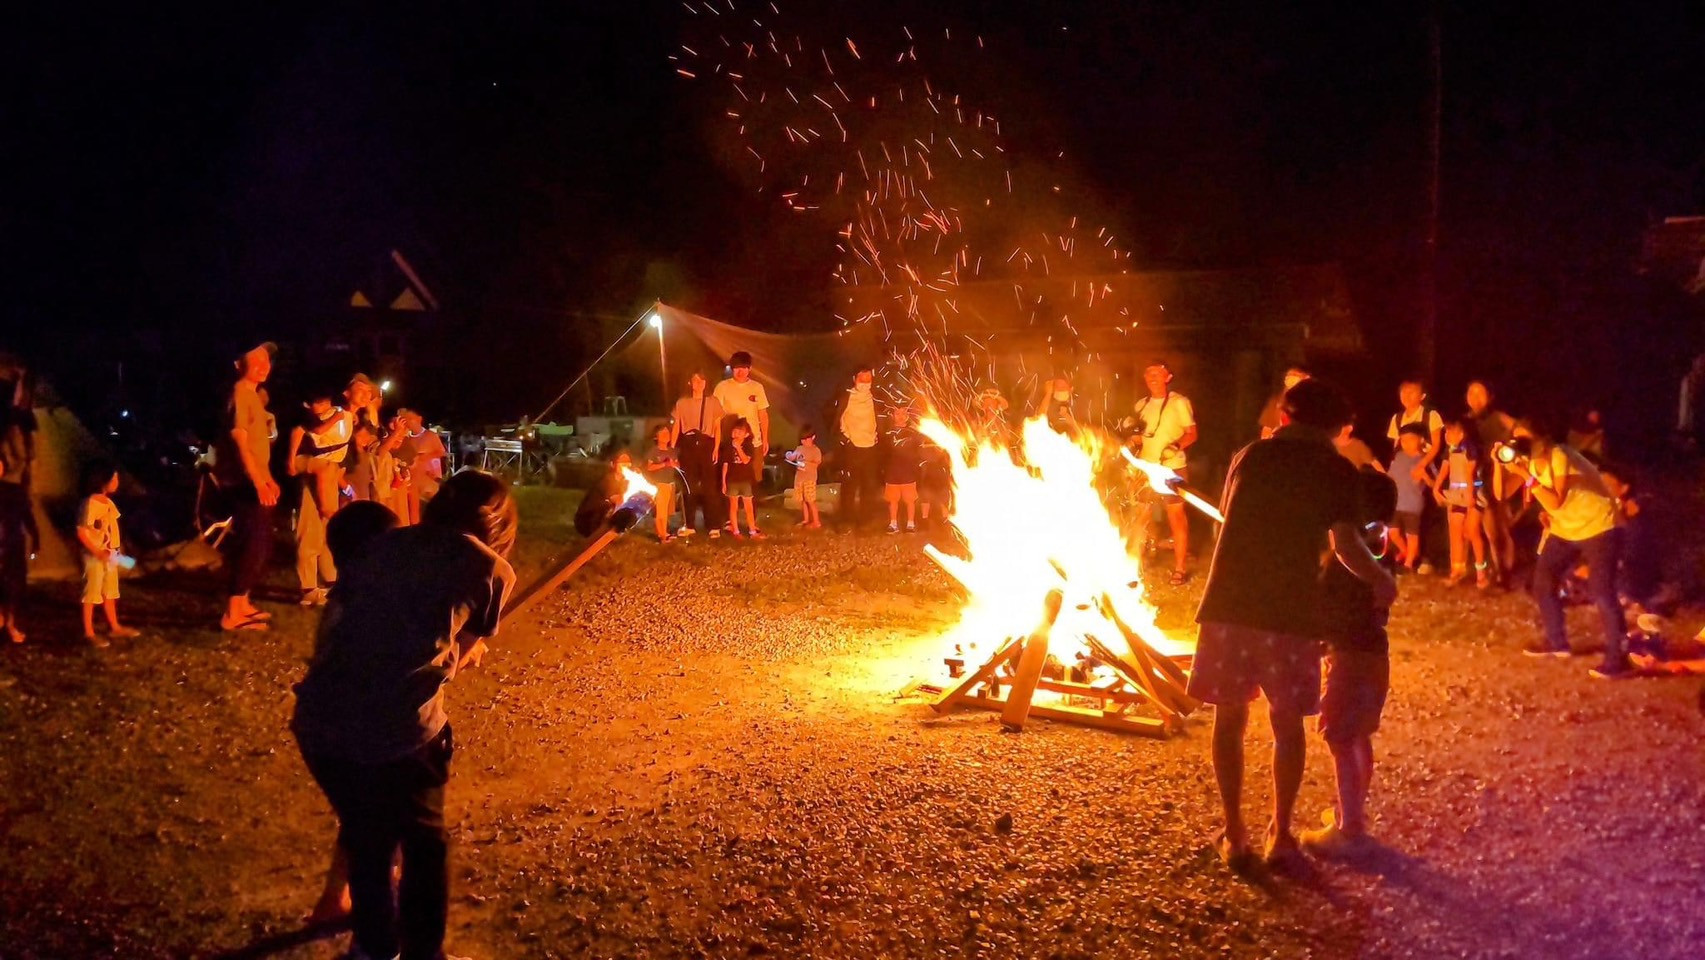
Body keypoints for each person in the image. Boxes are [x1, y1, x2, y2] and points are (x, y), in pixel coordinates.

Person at [291, 471, 515, 960]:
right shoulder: (491, 569)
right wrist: (457, 657)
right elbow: (459, 654)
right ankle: (422, 952)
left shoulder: (383, 544)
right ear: (498, 522)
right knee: (423, 846)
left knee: (369, 836)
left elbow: (338, 627)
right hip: (400, 730)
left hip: (319, 722)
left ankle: (372, 948)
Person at [1189, 378, 1396, 871]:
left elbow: (1225, 514)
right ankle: (1280, 834)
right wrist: (1380, 577)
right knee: (1286, 725)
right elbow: (1346, 545)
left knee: (1230, 719)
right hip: (1290, 613)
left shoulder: (1249, 455)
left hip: (1230, 604)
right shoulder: (1335, 469)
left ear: (1286, 416)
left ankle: (1234, 832)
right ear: (1336, 427)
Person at [306, 499, 401, 925]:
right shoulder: (361, 606)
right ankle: (374, 913)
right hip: (351, 729)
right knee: (378, 817)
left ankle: (335, 899)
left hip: (333, 726)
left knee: (370, 813)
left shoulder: (358, 595)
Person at [1302, 466, 1399, 859]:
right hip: (1372, 655)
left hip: (1350, 657)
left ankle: (1350, 831)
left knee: (1340, 738)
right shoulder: (1376, 544)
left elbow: (1341, 544)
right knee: (1358, 735)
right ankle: (1350, 811)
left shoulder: (1356, 551)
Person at [1501, 418, 1629, 677]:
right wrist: (1502, 465)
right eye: (1517, 439)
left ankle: (1619, 656)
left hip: (1599, 524)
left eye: (1526, 438)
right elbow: (1501, 493)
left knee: (1601, 590)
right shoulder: (1527, 461)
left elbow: (1556, 500)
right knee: (1543, 582)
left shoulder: (1560, 455)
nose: (1521, 444)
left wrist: (1526, 476)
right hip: (1566, 527)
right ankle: (1557, 642)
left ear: (1541, 439)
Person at [218, 342, 279, 633]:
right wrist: (257, 481)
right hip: (244, 482)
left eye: (266, 360)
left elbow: (257, 445)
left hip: (255, 478)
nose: (263, 365)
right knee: (251, 545)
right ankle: (232, 614)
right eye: (254, 360)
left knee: (260, 544)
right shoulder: (241, 393)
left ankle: (242, 604)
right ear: (238, 364)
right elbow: (240, 441)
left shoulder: (253, 396)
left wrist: (268, 478)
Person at [1130, 360, 1199, 585]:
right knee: (1141, 515)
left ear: (1168, 377)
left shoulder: (1179, 402)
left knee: (1176, 517)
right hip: (1145, 467)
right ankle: (1142, 556)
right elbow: (1140, 436)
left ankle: (1179, 568)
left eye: (1158, 373)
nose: (1153, 377)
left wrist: (1176, 446)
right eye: (1149, 373)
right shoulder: (1141, 405)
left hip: (1172, 467)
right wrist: (1132, 440)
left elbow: (1191, 433)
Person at [76, 461, 140, 646]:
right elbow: (81, 531)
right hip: (94, 557)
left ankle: (115, 627)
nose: (117, 481)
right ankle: (89, 632)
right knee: (92, 592)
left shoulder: (109, 503)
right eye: (114, 478)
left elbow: (112, 527)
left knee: (110, 591)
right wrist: (96, 550)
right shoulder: (89, 504)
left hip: (110, 555)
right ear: (103, 480)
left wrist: (118, 549)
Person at [1467, 381, 1519, 581]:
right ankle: (1498, 569)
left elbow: (1521, 431)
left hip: (1502, 472)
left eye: (1480, 392)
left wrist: (1511, 451)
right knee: (1490, 528)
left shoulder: (1499, 417)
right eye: (1471, 392)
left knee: (1503, 523)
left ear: (1490, 397)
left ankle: (1507, 570)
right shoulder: (1468, 421)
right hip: (1482, 476)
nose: (1475, 397)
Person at [1431, 415, 1489, 588]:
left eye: (1451, 431)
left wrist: (1471, 496)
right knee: (1455, 531)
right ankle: (1457, 570)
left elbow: (1470, 473)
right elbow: (1444, 470)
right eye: (1446, 431)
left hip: (1473, 494)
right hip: (1456, 495)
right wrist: (1436, 488)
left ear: (1462, 432)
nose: (1447, 434)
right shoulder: (1450, 450)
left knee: (1472, 531)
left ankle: (1481, 573)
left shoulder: (1469, 448)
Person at [670, 371, 724, 539]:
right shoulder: (682, 403)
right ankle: (689, 524)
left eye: (701, 380)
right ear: (690, 383)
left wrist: (716, 448)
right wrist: (672, 450)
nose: (698, 384)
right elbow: (677, 426)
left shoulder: (713, 402)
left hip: (707, 442)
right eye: (695, 380)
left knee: (709, 487)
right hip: (688, 443)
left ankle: (713, 525)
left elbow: (717, 427)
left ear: (706, 383)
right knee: (689, 486)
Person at [837, 366, 881, 527]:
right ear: (854, 379)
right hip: (852, 447)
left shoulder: (876, 398)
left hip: (870, 447)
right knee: (849, 485)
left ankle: (865, 521)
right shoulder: (846, 397)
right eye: (862, 379)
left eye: (868, 379)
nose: (865, 382)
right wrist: (844, 437)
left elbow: (882, 417)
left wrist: (879, 436)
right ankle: (846, 521)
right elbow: (833, 417)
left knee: (869, 486)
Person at [0, 455, 37, 644]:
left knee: (13, 588)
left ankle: (10, 624)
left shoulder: (14, 491)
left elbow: (27, 515)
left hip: (12, 544)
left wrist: (35, 537)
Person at [713, 351, 770, 458]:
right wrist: (716, 443)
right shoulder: (722, 387)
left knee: (754, 473)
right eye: (737, 368)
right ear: (732, 369)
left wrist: (765, 439)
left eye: (744, 368)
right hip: (729, 441)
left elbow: (763, 414)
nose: (740, 372)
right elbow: (715, 416)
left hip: (753, 442)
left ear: (749, 369)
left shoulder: (757, 387)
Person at [1388, 424, 1429, 574]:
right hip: (1396, 502)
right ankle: (1406, 552)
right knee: (1393, 532)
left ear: (1421, 439)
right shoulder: (1399, 457)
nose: (1406, 443)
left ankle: (1409, 563)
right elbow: (1390, 475)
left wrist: (1424, 476)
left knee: (1412, 535)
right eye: (1403, 440)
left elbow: (1433, 481)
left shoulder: (1425, 459)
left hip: (1413, 504)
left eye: (1411, 439)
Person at [1384, 381, 1443, 481]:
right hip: (1404, 465)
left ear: (1422, 396)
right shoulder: (1397, 418)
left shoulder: (1430, 415)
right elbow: (1396, 446)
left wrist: (1421, 465)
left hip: (1424, 464)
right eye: (1404, 392)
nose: (1407, 396)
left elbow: (1436, 445)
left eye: (1411, 392)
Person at [574, 451, 634, 538]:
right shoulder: (607, 480)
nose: (625, 467)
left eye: (627, 465)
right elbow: (614, 499)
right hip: (586, 520)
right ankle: (597, 534)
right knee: (609, 505)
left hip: (599, 516)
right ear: (613, 465)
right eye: (622, 464)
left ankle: (614, 532)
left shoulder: (624, 482)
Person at [884, 406, 923, 534]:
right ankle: (893, 523)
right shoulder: (888, 433)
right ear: (893, 416)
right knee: (893, 500)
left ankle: (910, 524)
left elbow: (918, 451)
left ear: (907, 416)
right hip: (892, 473)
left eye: (903, 413)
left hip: (908, 473)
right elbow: (883, 453)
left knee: (910, 500)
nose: (900, 416)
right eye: (897, 413)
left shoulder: (913, 432)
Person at [399, 409, 448, 507]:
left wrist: (424, 457)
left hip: (430, 478)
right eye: (405, 419)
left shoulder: (430, 435)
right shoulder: (407, 438)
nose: (408, 421)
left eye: (410, 418)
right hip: (413, 480)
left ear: (419, 419)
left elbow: (442, 452)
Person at [721, 422, 762, 539]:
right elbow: (725, 464)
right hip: (732, 481)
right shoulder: (728, 447)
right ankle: (736, 532)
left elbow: (745, 460)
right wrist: (723, 482)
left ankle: (752, 531)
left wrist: (738, 447)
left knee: (748, 507)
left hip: (745, 480)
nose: (736, 434)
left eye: (740, 432)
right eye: (734, 431)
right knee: (733, 507)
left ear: (746, 434)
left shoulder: (749, 446)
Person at [643, 424, 680, 542]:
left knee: (667, 510)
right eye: (662, 433)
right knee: (661, 511)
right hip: (659, 484)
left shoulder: (672, 451)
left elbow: (677, 465)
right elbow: (649, 467)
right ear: (656, 437)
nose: (666, 435)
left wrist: (675, 465)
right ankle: (662, 535)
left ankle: (665, 532)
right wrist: (664, 464)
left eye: (667, 433)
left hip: (670, 484)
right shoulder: (654, 451)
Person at [1258, 366, 1310, 439]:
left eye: (1295, 375)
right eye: (1288, 376)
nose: (1290, 379)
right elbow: (1267, 429)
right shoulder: (1276, 401)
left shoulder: (1310, 404)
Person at [786, 426, 822, 529]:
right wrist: (789, 455)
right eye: (802, 439)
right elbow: (792, 457)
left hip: (809, 478)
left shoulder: (815, 450)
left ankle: (816, 522)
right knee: (803, 500)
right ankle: (806, 519)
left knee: (810, 500)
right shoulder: (799, 448)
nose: (804, 441)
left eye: (807, 439)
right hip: (800, 478)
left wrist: (805, 463)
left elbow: (817, 463)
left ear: (813, 437)